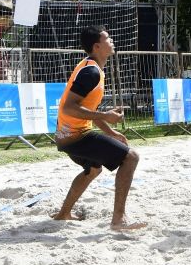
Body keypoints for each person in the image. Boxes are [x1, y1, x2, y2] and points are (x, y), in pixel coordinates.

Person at [52, 26, 146, 231]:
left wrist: (110, 131)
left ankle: (63, 214)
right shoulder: (91, 72)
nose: (111, 40)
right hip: (75, 136)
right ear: (97, 46)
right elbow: (70, 107)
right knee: (131, 157)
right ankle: (118, 220)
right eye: (107, 38)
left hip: (67, 135)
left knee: (93, 169)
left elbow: (84, 109)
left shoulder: (91, 68)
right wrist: (104, 115)